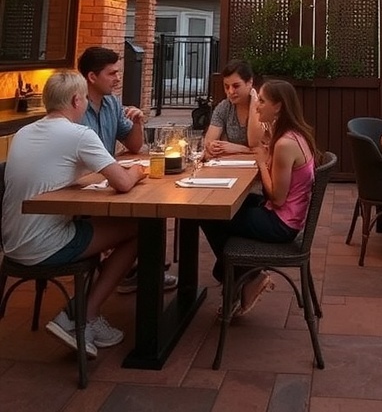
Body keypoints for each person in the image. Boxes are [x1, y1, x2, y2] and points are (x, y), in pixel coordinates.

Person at [2, 71, 146, 358]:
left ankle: (81, 311)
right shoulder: (78, 134)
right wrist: (141, 170)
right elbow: (123, 182)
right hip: (45, 245)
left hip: (12, 244)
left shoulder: (24, 133)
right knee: (140, 228)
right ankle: (82, 316)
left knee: (110, 224)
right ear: (76, 100)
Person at [200, 78, 319, 314]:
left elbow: (277, 198)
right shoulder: (293, 134)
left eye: (262, 101)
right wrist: (263, 153)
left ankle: (241, 275)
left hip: (282, 225)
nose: (257, 106)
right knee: (233, 204)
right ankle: (238, 273)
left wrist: (261, 162)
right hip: (284, 216)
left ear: (279, 106)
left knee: (209, 215)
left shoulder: (285, 143)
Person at [77, 44, 177, 294]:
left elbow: (134, 145)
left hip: (107, 182)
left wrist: (137, 121)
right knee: (145, 218)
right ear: (92, 77)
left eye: (118, 72)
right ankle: (131, 271)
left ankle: (139, 270)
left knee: (153, 205)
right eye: (112, 73)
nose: (118, 78)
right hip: (80, 189)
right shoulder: (76, 109)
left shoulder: (111, 103)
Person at [204, 59, 264, 158]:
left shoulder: (263, 106)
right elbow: (208, 143)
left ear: (249, 82)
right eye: (227, 87)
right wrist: (212, 147)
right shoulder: (224, 107)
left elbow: (256, 144)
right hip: (234, 165)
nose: (230, 92)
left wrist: (254, 100)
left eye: (236, 86)